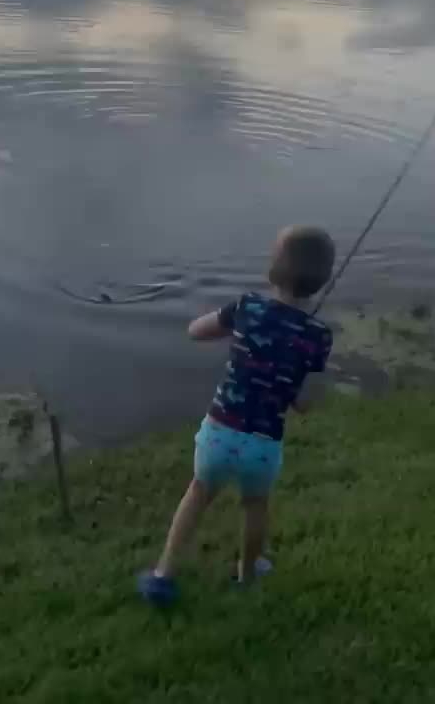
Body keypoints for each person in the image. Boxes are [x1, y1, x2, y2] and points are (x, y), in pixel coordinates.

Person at [137, 226, 336, 605]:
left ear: (273, 268)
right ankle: (246, 574)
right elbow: (305, 403)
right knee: (255, 505)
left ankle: (163, 574)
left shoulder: (247, 307)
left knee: (197, 493)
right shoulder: (318, 336)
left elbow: (196, 331)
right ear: (322, 279)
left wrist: (234, 331)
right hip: (263, 446)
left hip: (220, 434)